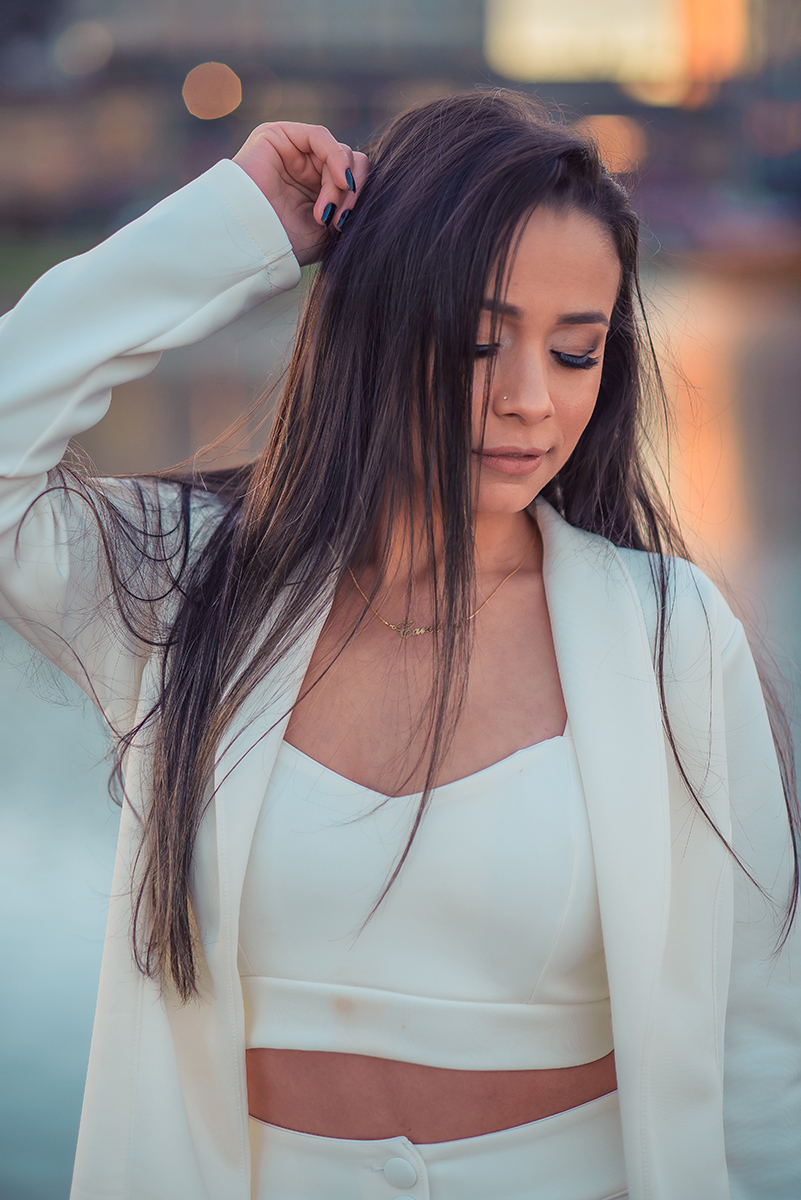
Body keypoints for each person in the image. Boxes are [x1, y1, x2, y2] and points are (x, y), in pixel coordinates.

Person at [0, 90, 798, 1200]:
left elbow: (761, 1046)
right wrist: (232, 231)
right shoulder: (192, 584)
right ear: (378, 315)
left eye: (576, 354)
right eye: (481, 340)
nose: (530, 401)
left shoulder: (666, 631)